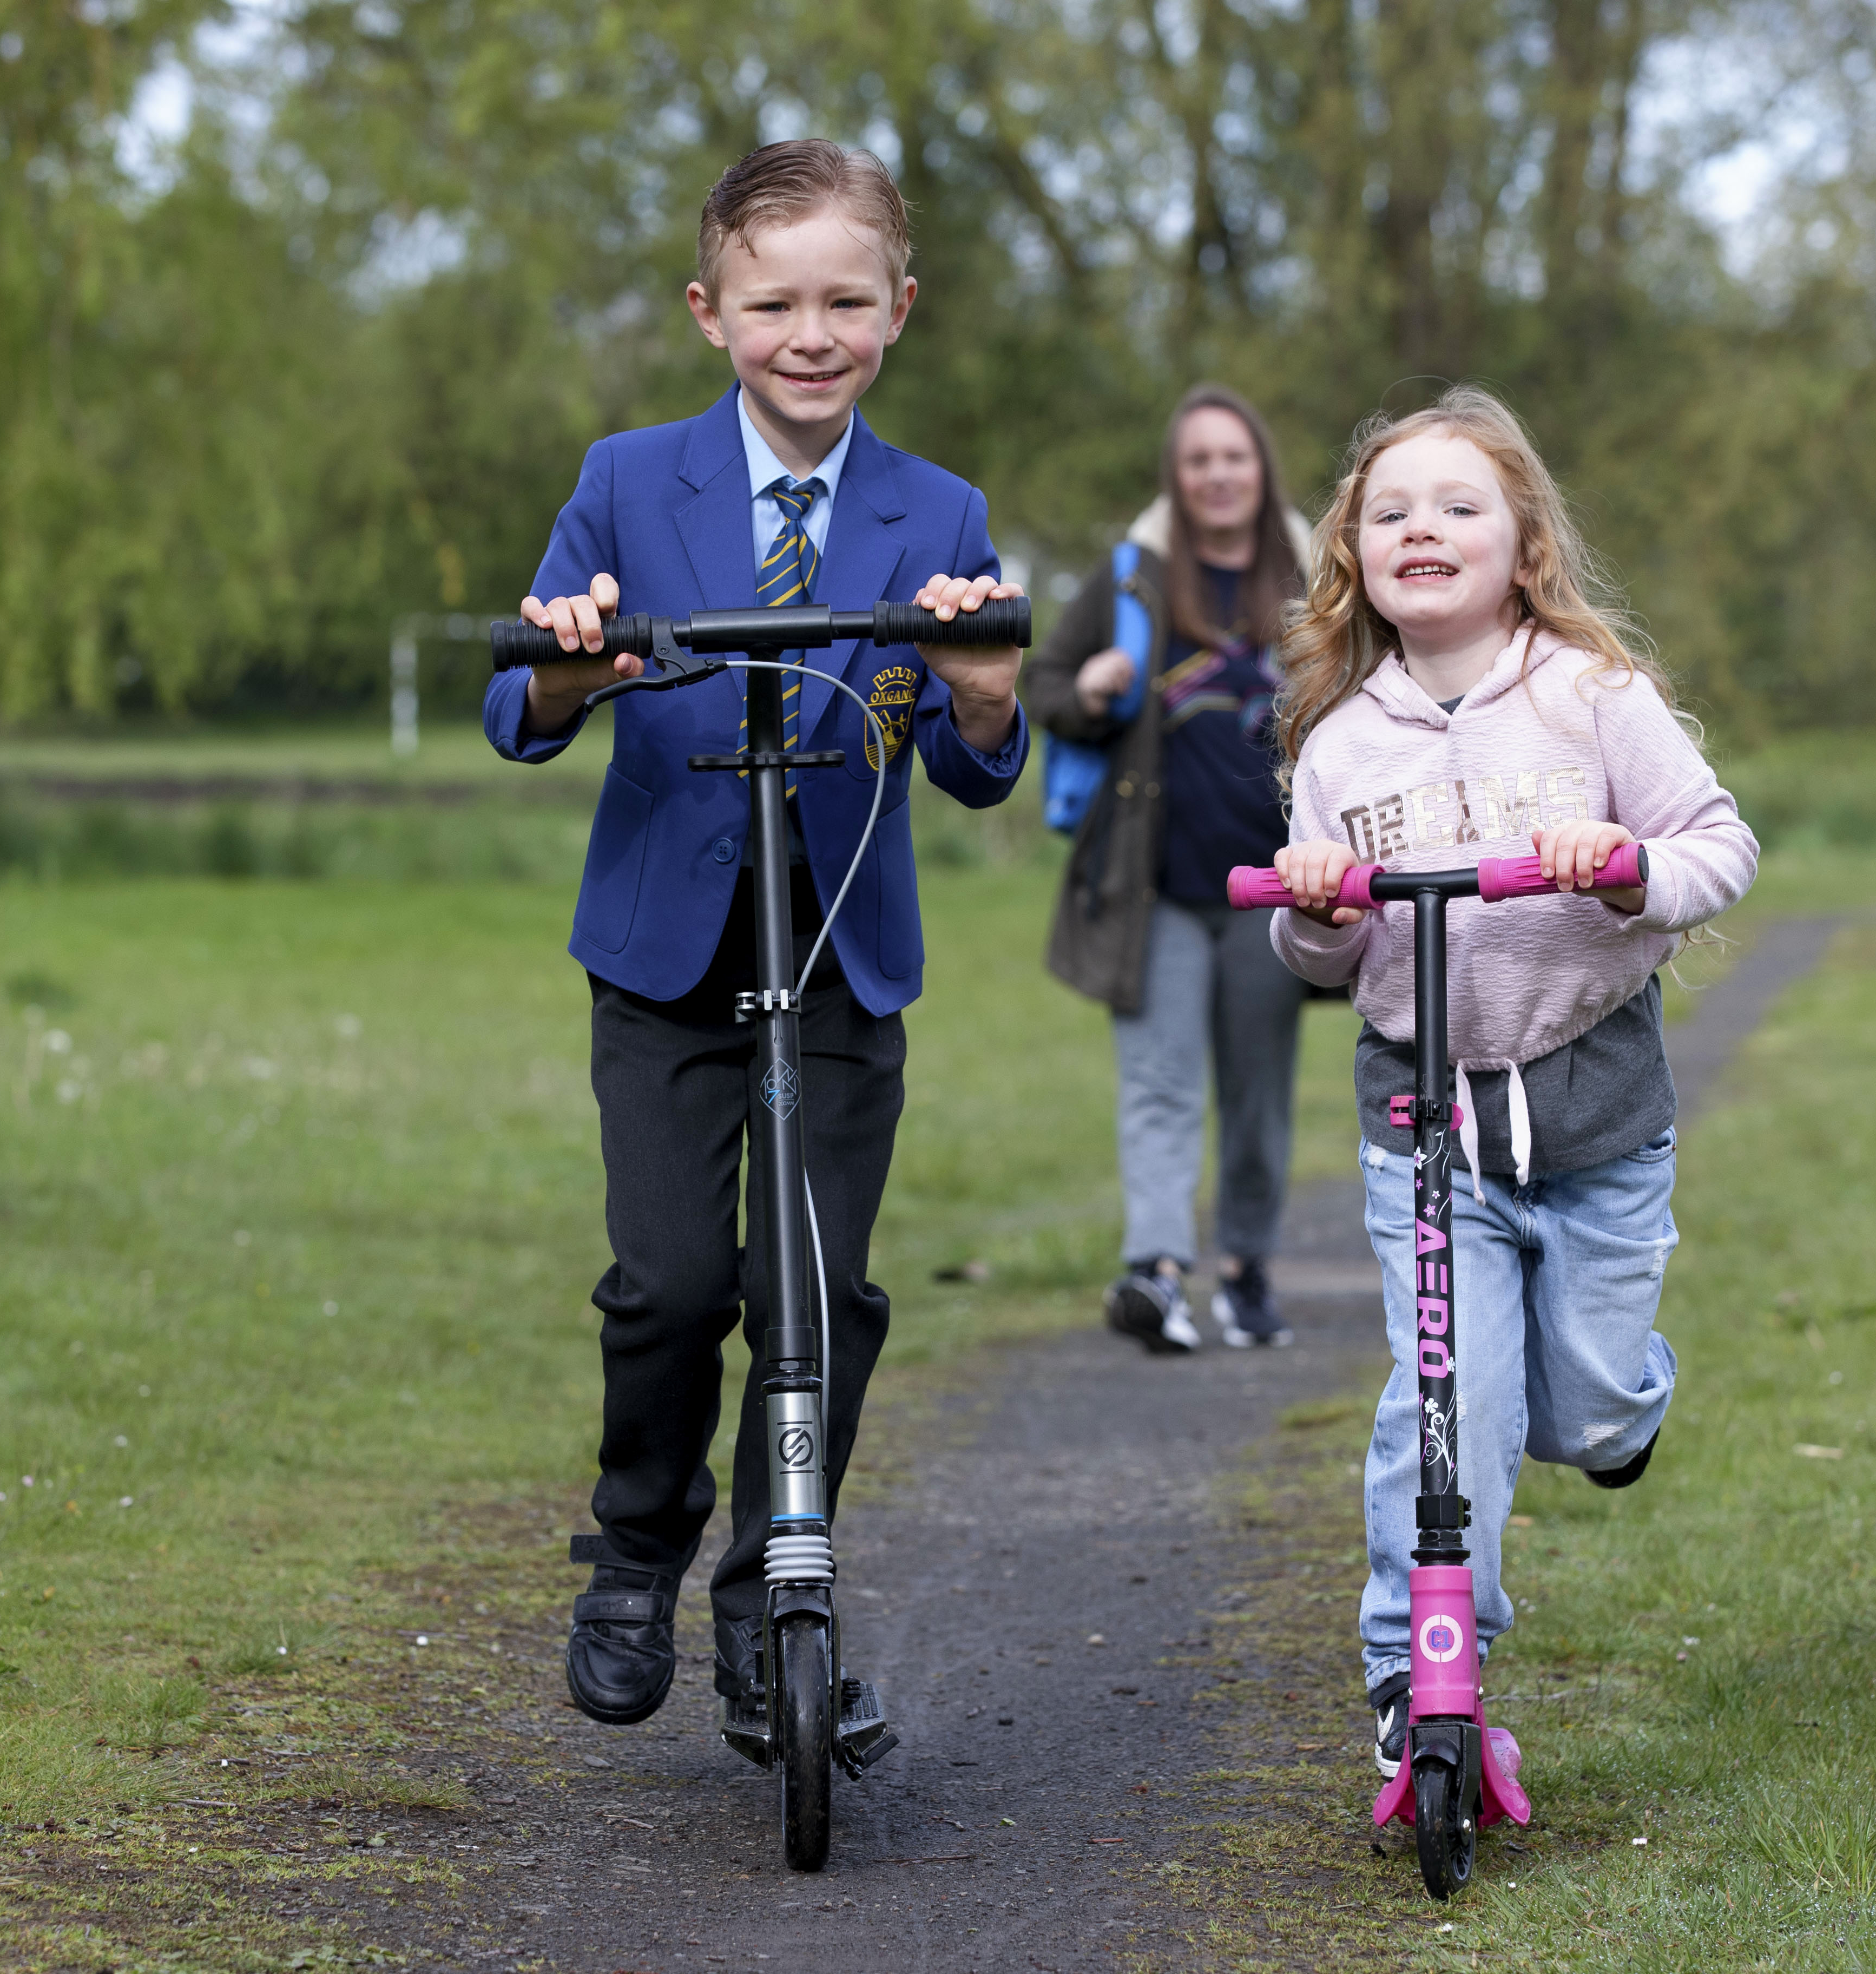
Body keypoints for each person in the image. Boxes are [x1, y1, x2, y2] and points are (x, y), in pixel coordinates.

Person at [485, 140, 1028, 1747]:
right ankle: (636, 1548)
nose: (812, 332)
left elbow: (975, 758)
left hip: (842, 955)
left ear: (899, 312)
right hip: (667, 955)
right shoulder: (631, 481)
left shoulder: (938, 508)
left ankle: (770, 1590)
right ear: (710, 311)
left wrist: (985, 690)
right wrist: (578, 659)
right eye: (774, 300)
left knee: (823, 1296)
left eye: (846, 300)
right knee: (668, 1285)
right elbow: (521, 709)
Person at [1262, 385, 1757, 1778]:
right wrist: (1315, 907)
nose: (1424, 527)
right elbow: (1314, 948)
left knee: (1578, 1411)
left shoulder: (1590, 696)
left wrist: (1627, 869)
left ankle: (1625, 1408)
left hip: (1596, 1117)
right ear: (1353, 551)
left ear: (1522, 540)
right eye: (1391, 509)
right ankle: (1417, 1675)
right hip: (1427, 1132)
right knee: (1443, 1404)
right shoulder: (1340, 740)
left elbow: (1719, 846)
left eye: (1459, 505)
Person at [1023, 386, 1315, 1354]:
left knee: (1259, 1091)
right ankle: (1156, 1274)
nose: (1218, 475)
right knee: (1159, 1084)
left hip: (1278, 890)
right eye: (1199, 460)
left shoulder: (1316, 576)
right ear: (1176, 477)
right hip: (1155, 887)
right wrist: (1095, 688)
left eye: (1234, 457)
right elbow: (1047, 688)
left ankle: (1247, 1268)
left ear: (1260, 469)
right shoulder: (1131, 580)